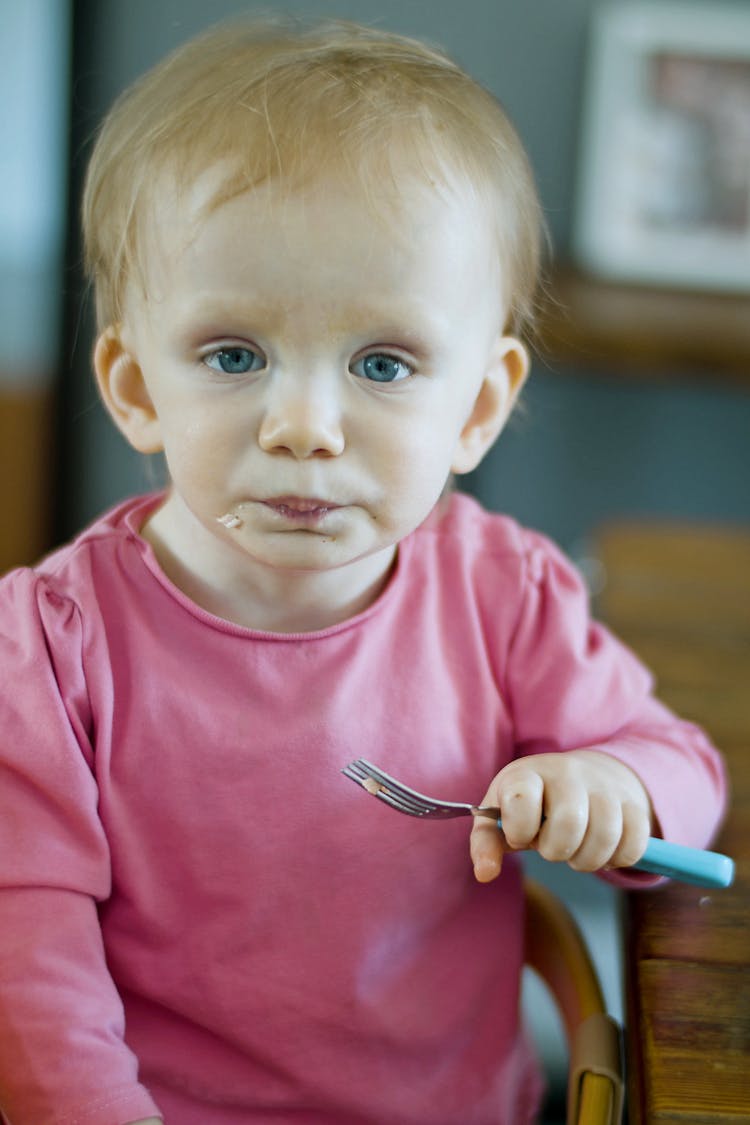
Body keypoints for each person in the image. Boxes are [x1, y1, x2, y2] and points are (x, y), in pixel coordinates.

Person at [0, 17, 727, 1125]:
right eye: (233, 355)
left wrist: (613, 790)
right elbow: (28, 971)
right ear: (137, 385)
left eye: (383, 363)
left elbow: (685, 771)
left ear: (477, 406)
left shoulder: (501, 595)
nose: (304, 426)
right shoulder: (47, 650)